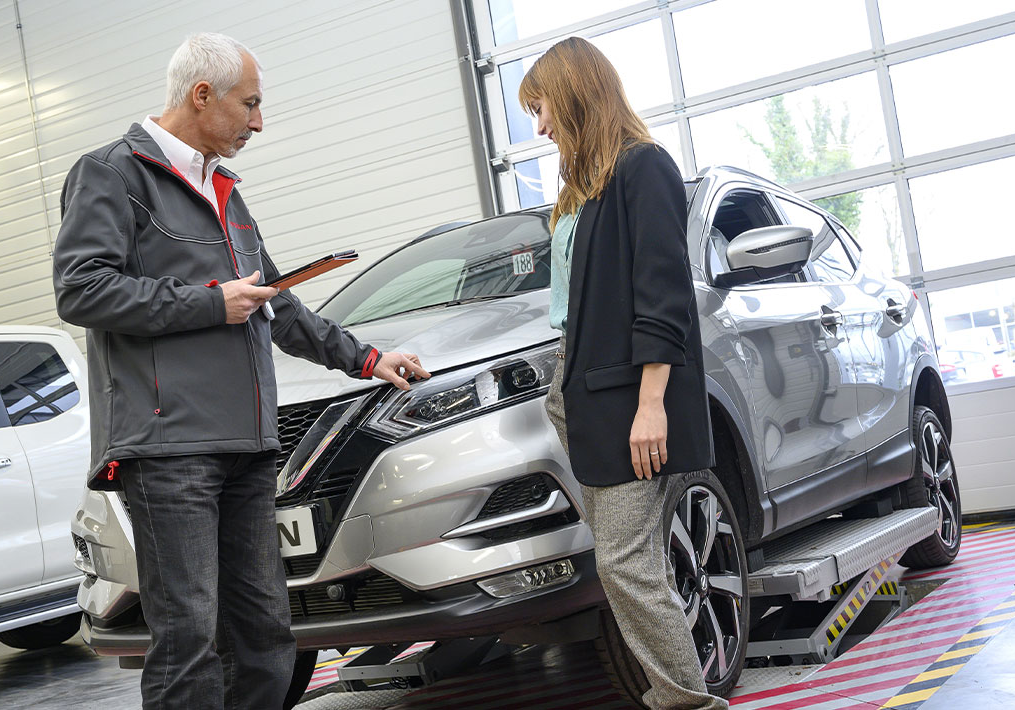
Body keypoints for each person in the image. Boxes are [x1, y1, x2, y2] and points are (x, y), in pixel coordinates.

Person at [52, 33, 430, 710]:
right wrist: (208, 302)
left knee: (266, 636)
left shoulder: (225, 192)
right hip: (169, 451)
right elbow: (82, 290)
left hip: (247, 447)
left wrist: (367, 358)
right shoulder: (111, 174)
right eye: (249, 104)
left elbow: (273, 302)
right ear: (203, 95)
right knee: (189, 638)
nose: (259, 121)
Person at [521, 38, 727, 709]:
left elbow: (663, 296)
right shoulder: (586, 185)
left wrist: (651, 403)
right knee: (633, 559)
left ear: (575, 94)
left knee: (624, 564)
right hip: (578, 388)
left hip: (626, 397)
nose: (540, 123)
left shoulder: (645, 169)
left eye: (542, 105)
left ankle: (686, 701)